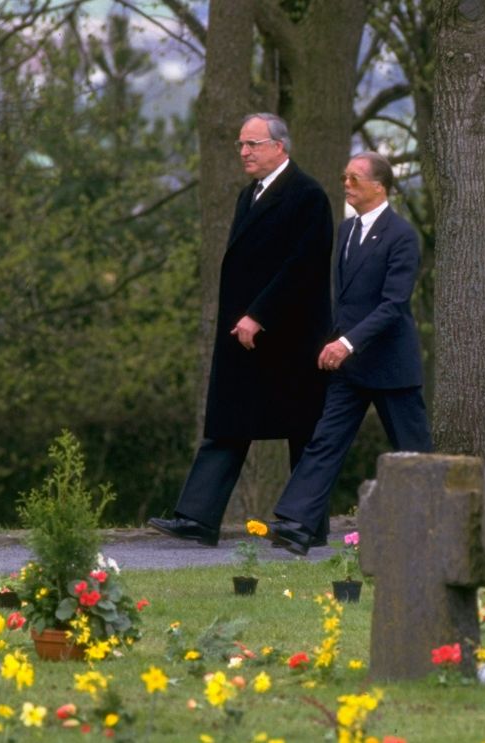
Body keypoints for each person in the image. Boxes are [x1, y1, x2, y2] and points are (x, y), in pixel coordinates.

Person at [149, 112, 333, 547]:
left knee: (303, 429)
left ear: (279, 147)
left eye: (253, 144)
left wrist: (259, 314)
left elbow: (303, 266)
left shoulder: (307, 195)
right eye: (241, 145)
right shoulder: (248, 194)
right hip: (245, 335)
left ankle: (307, 525)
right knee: (229, 422)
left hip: (290, 335)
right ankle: (198, 518)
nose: (244, 152)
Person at [262, 152, 432, 555]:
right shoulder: (347, 230)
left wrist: (347, 343)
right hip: (349, 367)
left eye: (355, 178)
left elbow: (393, 305)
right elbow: (345, 299)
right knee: (325, 441)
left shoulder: (402, 235)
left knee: (415, 453)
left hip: (390, 367)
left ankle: (435, 523)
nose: (346, 185)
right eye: (344, 177)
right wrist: (334, 342)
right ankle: (298, 525)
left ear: (379, 186)